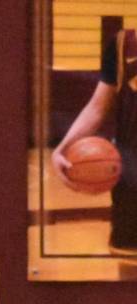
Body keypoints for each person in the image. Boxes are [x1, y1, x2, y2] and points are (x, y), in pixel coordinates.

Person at [51, 27, 137, 255]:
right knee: (127, 265)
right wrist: (62, 149)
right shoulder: (121, 45)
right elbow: (97, 108)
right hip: (132, 185)